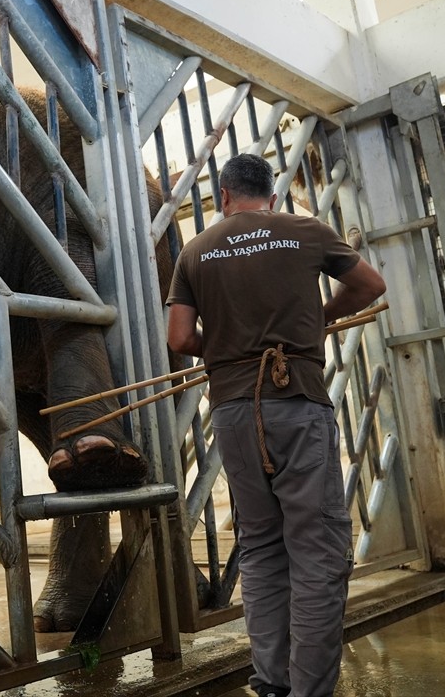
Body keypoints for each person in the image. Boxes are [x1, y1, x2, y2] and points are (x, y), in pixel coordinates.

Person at [166, 153, 386, 697]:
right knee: (317, 548)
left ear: (223, 195)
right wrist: (320, 319)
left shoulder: (194, 251)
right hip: (298, 401)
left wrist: (224, 346)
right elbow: (370, 286)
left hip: (235, 410)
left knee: (261, 546)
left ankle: (271, 682)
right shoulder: (303, 230)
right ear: (271, 193)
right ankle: (309, 691)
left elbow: (178, 340)